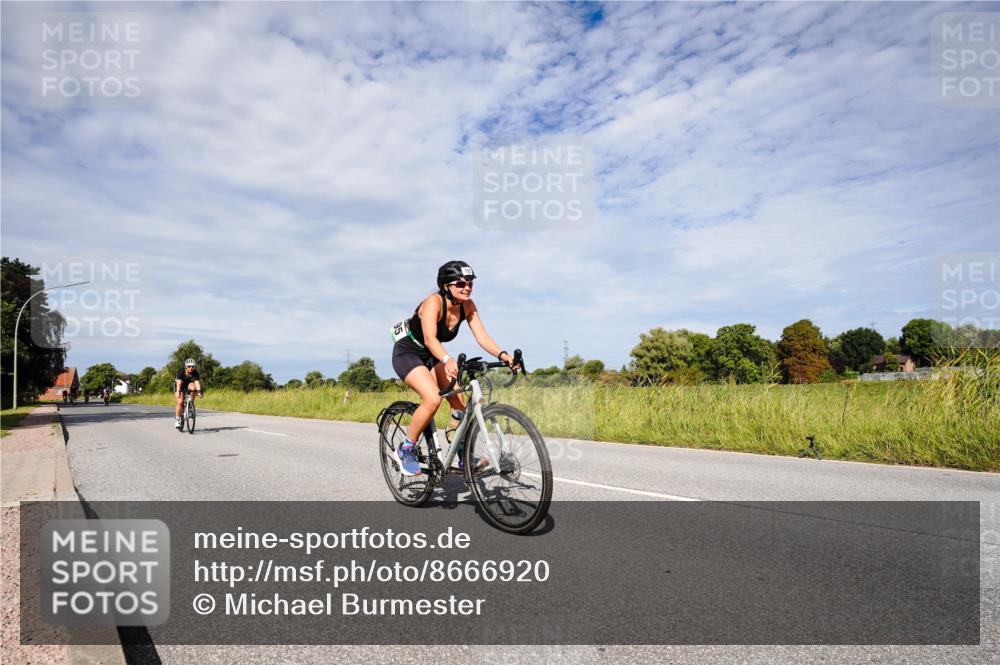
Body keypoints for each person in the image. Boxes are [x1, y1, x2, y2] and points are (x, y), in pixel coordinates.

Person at [390, 261, 519, 476]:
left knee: (459, 407)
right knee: (433, 399)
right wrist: (447, 358)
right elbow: (430, 339)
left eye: (469, 283)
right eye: (460, 283)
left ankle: (461, 456)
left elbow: (482, 336)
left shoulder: (467, 305)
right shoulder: (433, 302)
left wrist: (503, 355)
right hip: (409, 352)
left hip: (434, 354)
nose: (466, 287)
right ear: (446, 286)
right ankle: (406, 449)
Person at [174, 359, 202, 428]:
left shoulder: (195, 372)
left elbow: (197, 383)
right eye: (189, 366)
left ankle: (190, 404)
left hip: (188, 385)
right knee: (180, 402)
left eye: (193, 366)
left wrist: (199, 392)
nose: (191, 368)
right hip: (180, 386)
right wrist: (178, 392)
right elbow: (179, 383)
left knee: (194, 388)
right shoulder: (181, 371)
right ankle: (177, 419)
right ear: (186, 367)